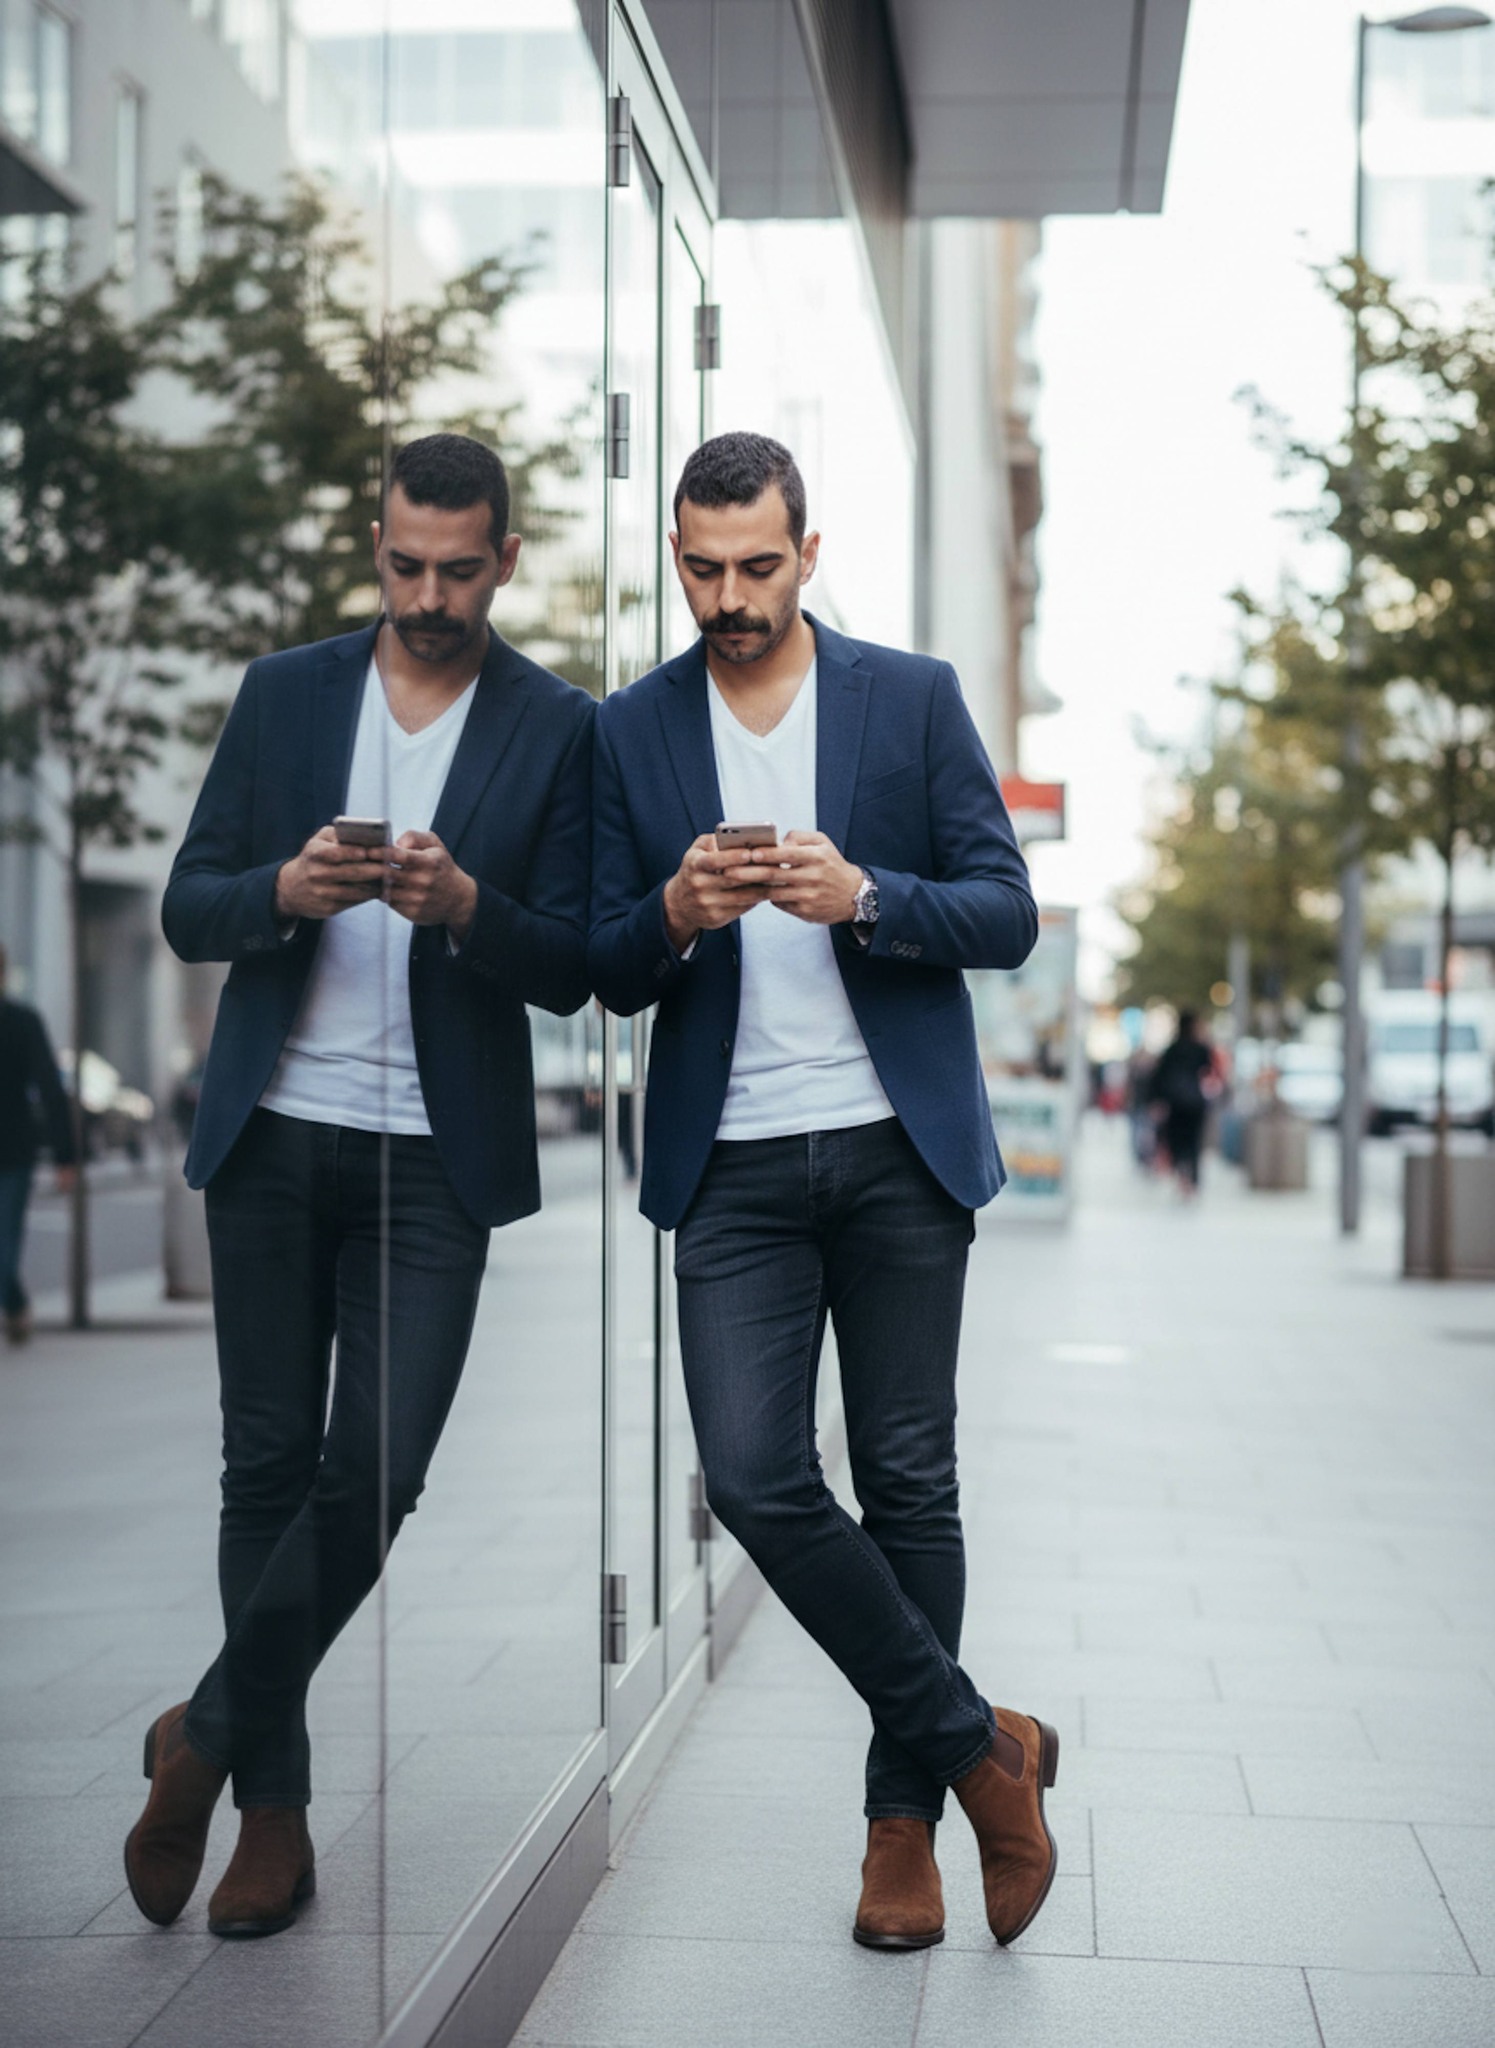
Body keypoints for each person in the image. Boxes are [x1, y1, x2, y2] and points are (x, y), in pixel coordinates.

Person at [589, 431, 1057, 1954]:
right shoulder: (631, 727)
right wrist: (669, 911)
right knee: (751, 1476)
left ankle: (897, 1829)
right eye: (701, 566)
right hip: (728, 1164)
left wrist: (864, 897)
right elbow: (595, 959)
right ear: (677, 554)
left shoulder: (906, 698)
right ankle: (979, 1745)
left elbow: (1004, 913)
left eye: (756, 565)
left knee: (909, 1480)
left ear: (807, 550)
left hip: (894, 1150)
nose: (727, 596)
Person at [125, 432, 594, 1940]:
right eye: (406, 565)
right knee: (262, 1471)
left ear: (505, 559)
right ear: (375, 544)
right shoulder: (285, 695)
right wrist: (282, 891)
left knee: (374, 1471)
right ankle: (271, 1806)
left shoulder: (555, 727)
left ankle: (199, 1730)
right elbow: (189, 905)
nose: (430, 595)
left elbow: (583, 966)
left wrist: (466, 908)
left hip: (430, 1161)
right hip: (272, 1137)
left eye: (461, 568)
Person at [0, 943, 77, 1343]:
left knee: (4, 1246)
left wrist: (65, 1155)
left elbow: (50, 1087)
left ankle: (12, 1304)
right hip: (16, 1149)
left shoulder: (22, 1021)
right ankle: (14, 1303)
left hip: (12, 1153)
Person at [1149, 1008, 1217, 1193]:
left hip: (1175, 1103)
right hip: (1195, 1102)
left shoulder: (1171, 1050)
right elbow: (1210, 1069)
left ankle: (1182, 1177)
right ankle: (1192, 1180)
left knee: (1177, 1141)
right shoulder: (1200, 1048)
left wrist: (1157, 1101)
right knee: (1194, 1143)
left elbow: (1158, 1077)